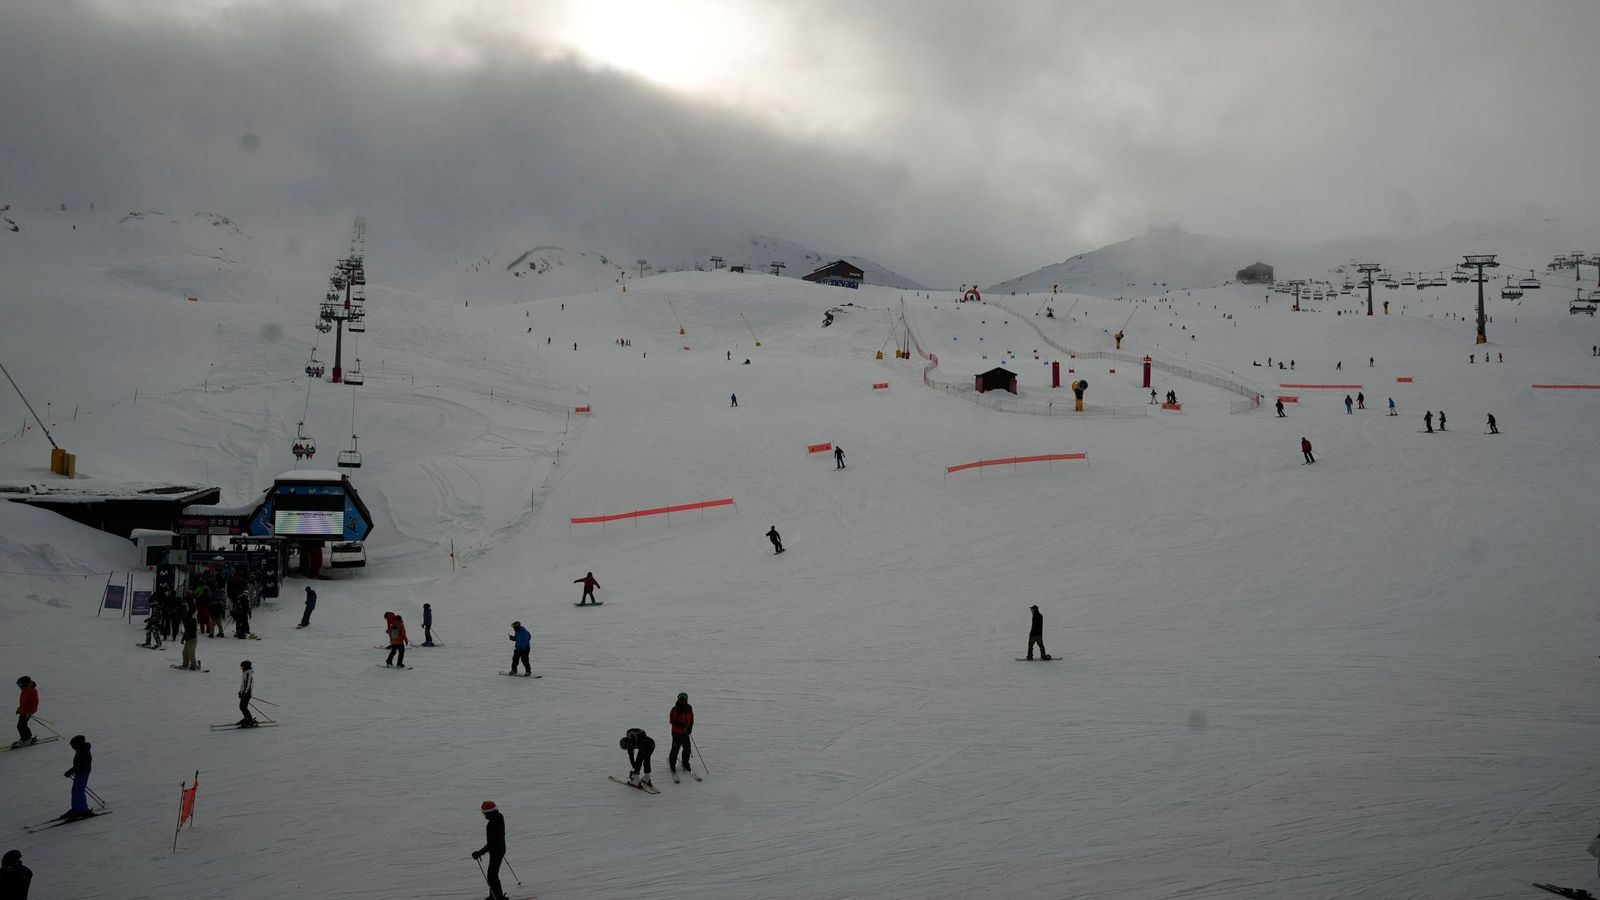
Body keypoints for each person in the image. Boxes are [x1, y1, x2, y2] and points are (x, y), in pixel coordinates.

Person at [472, 801, 508, 900]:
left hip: (496, 851)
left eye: (484, 812)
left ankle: (498, 897)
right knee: (492, 875)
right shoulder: (500, 817)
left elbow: (491, 844)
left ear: (488, 812)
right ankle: (494, 896)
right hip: (500, 849)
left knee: (492, 876)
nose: (483, 815)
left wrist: (480, 852)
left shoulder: (492, 824)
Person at [62, 735, 92, 820]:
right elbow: (78, 765)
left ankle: (83, 810)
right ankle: (76, 809)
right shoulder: (80, 750)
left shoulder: (83, 752)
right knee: (75, 791)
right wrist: (71, 771)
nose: (72, 747)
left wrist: (71, 771)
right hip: (80, 773)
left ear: (78, 744)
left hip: (82, 773)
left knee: (79, 791)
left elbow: (81, 766)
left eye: (73, 745)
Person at [668, 693, 694, 777]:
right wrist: (680, 725)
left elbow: (691, 719)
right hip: (676, 733)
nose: (682, 701)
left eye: (684, 699)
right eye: (681, 699)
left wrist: (690, 728)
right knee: (675, 748)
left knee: (687, 748)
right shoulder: (675, 709)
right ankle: (672, 763)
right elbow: (672, 721)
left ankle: (685, 762)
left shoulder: (689, 708)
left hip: (685, 732)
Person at [13, 677, 37, 748]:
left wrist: (31, 712)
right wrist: (19, 709)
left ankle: (26, 739)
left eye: (20, 685)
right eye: (19, 685)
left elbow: (35, 703)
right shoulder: (24, 690)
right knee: (22, 725)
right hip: (23, 711)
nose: (20, 687)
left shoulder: (32, 691)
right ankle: (27, 738)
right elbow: (23, 702)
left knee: (21, 726)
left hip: (27, 712)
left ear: (25, 684)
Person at [237, 661, 257, 727]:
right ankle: (247, 719)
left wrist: (244, 693)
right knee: (242, 707)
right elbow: (243, 684)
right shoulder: (245, 673)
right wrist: (240, 692)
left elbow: (248, 685)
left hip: (247, 693)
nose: (241, 668)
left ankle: (250, 720)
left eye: (242, 666)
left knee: (243, 707)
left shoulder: (248, 674)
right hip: (245, 693)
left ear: (246, 667)